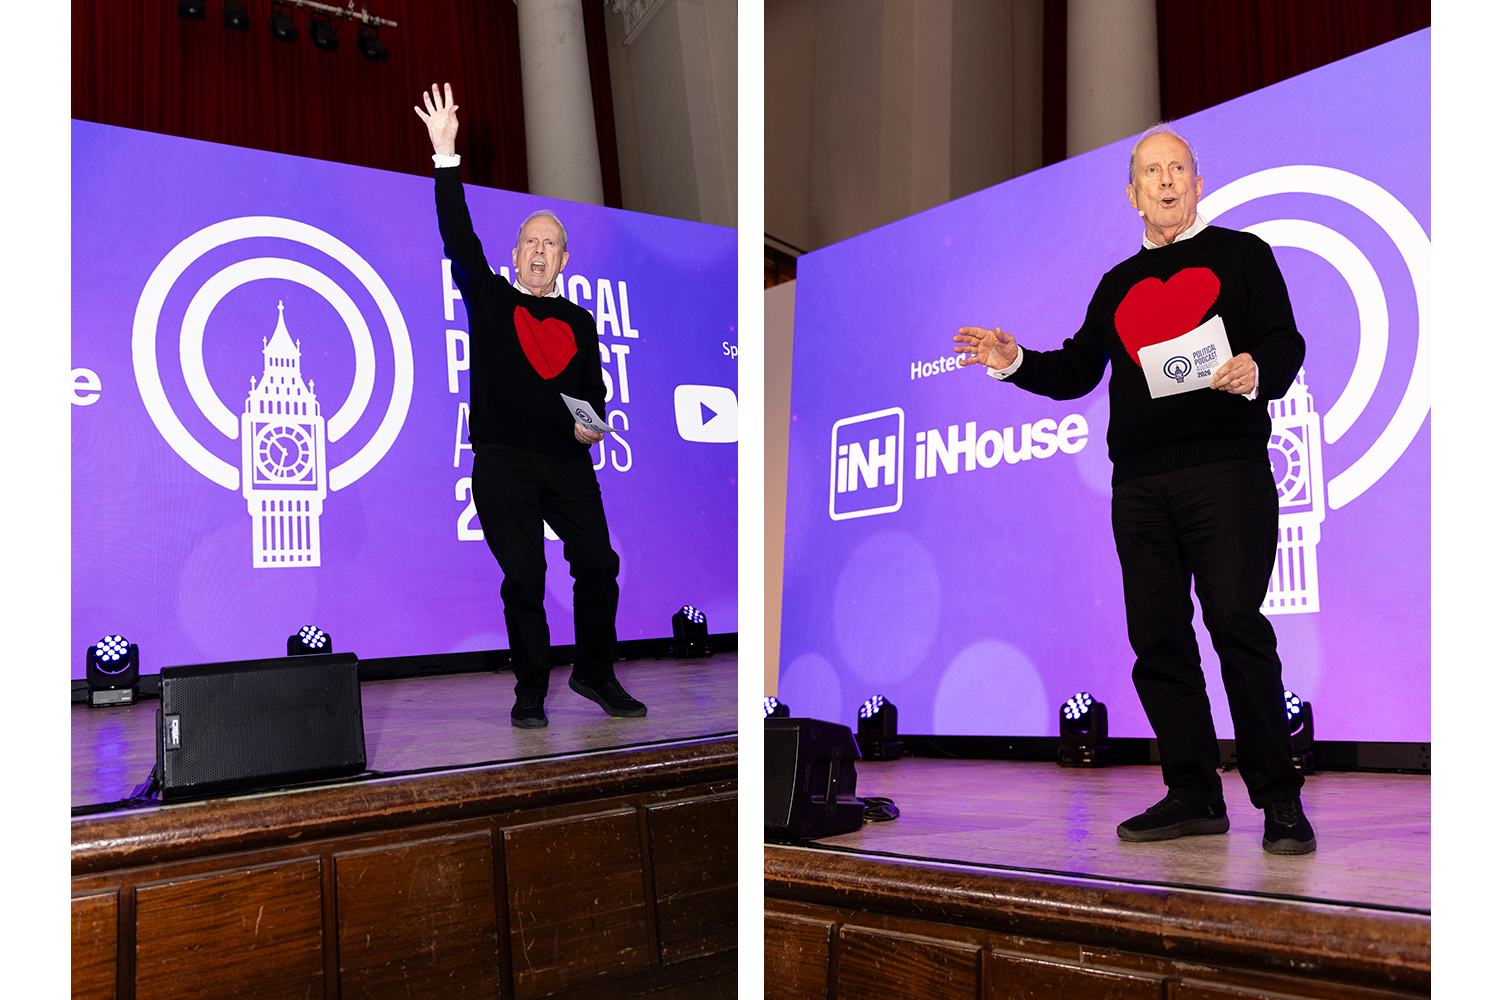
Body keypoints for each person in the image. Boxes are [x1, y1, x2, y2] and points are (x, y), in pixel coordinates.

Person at [953, 126, 1315, 855]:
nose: (1167, 179)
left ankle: (1279, 799)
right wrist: (1012, 359)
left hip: (1226, 473)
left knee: (1236, 625)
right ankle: (1193, 794)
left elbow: (1286, 342)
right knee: (1156, 639)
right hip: (1141, 487)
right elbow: (1076, 371)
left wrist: (1256, 368)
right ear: (1133, 194)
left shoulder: (1244, 255)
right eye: (1152, 171)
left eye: (1178, 167)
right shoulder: (1116, 284)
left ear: (1198, 183)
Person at [415, 82, 646, 729]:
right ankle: (531, 689)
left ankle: (595, 673)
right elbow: (458, 236)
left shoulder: (579, 321)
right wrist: (445, 156)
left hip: (567, 465)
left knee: (599, 564)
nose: (539, 251)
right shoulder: (490, 299)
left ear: (564, 260)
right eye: (529, 243)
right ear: (515, 256)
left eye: (550, 244)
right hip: (504, 462)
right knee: (525, 576)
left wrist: (592, 427)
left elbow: (592, 395)